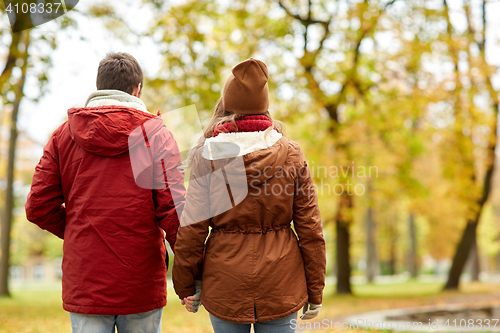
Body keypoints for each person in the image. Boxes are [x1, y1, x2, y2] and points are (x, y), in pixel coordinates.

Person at [25, 52, 185, 333]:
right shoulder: (157, 136)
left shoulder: (62, 136)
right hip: (140, 279)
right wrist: (191, 269)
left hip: (86, 277)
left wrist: (79, 230)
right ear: (137, 89)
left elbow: (38, 206)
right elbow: (174, 212)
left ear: (99, 87)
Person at [172, 58, 326, 333]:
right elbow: (310, 228)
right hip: (281, 283)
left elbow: (192, 229)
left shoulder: (207, 155)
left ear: (227, 104)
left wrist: (186, 284)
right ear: (264, 105)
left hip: (225, 283)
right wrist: (315, 289)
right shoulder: (291, 153)